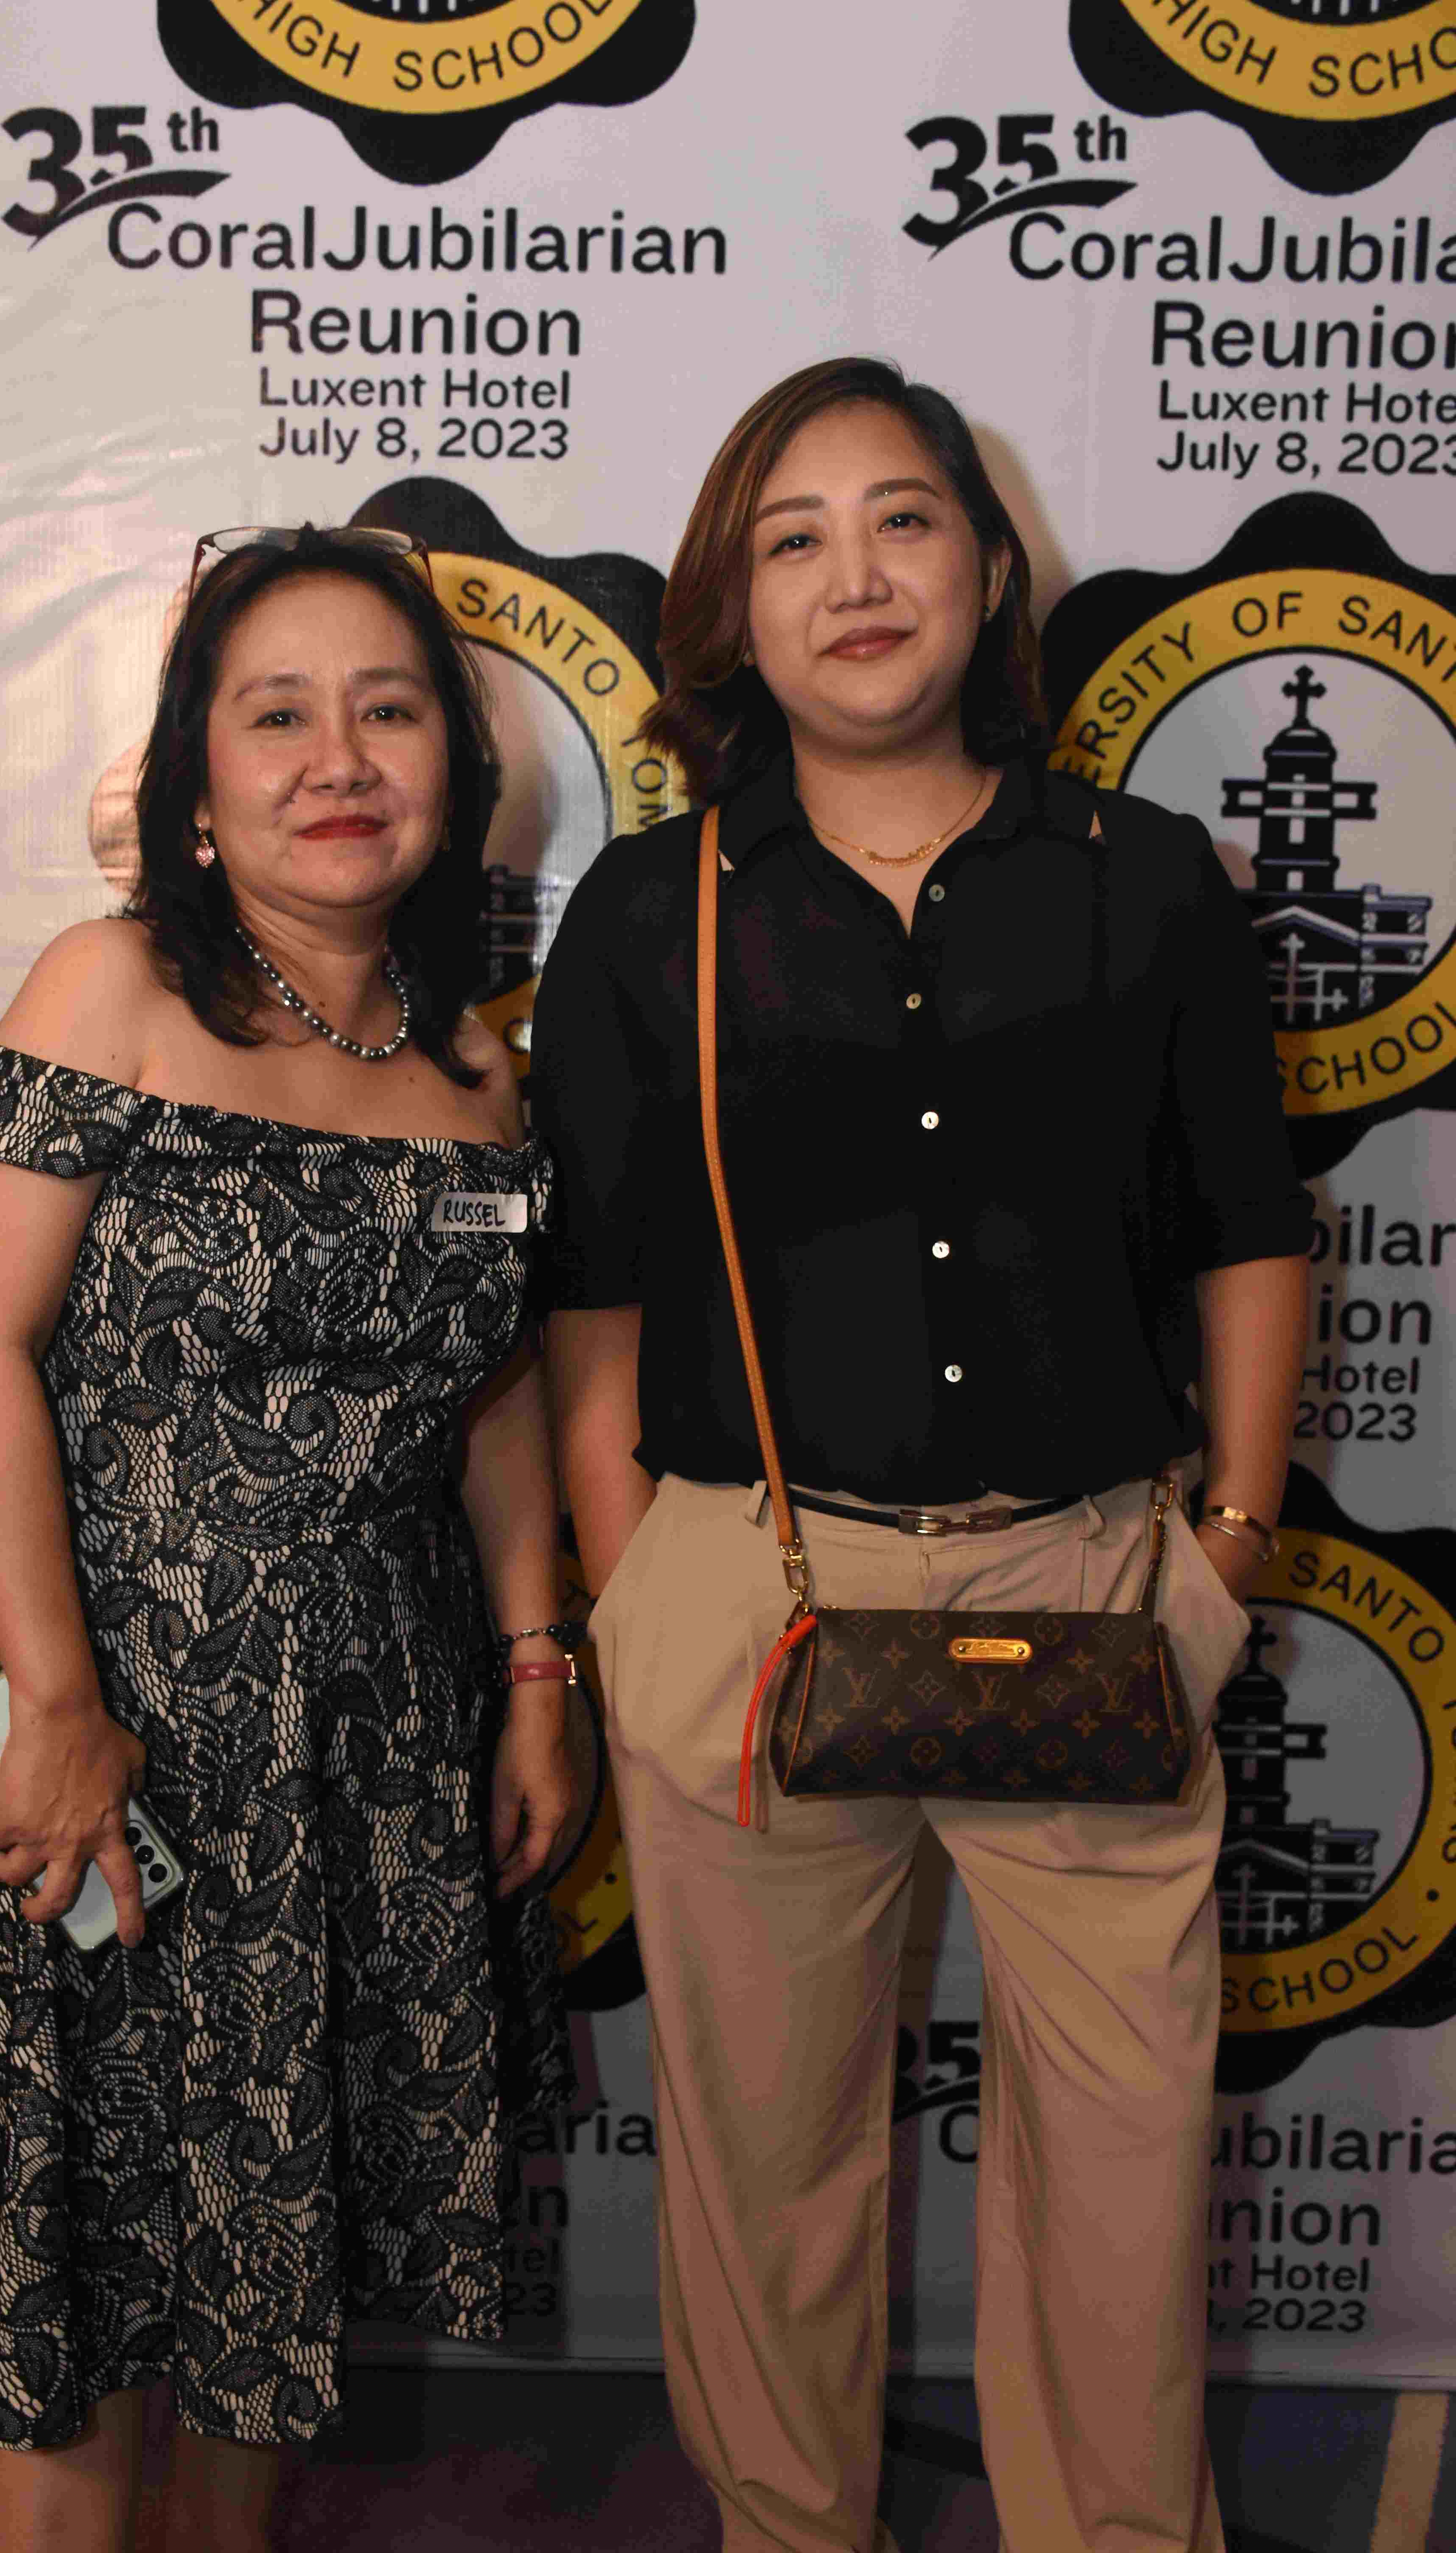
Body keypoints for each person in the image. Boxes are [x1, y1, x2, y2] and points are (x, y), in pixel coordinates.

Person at [534, 357, 1309, 2553]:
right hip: (747, 1595)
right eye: (792, 538)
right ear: (729, 609)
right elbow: (592, 1290)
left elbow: (1249, 1227)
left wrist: (1228, 1547)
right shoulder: (651, 909)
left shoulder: (1143, 880)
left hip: (1091, 1581)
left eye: (901, 520)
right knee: (763, 2162)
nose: (854, 576)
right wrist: (634, 1584)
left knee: (1124, 2154)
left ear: (984, 568)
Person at [0, 525, 578, 2553]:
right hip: (85, 1714)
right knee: (66, 2240)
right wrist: (57, 1711)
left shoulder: (482, 1070)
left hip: (363, 1740)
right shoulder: (111, 986)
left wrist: (532, 1668)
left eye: (388, 711)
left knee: (262, 2229)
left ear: (456, 766)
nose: (340, 760)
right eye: (278, 715)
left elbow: (492, 1397)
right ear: (195, 781)